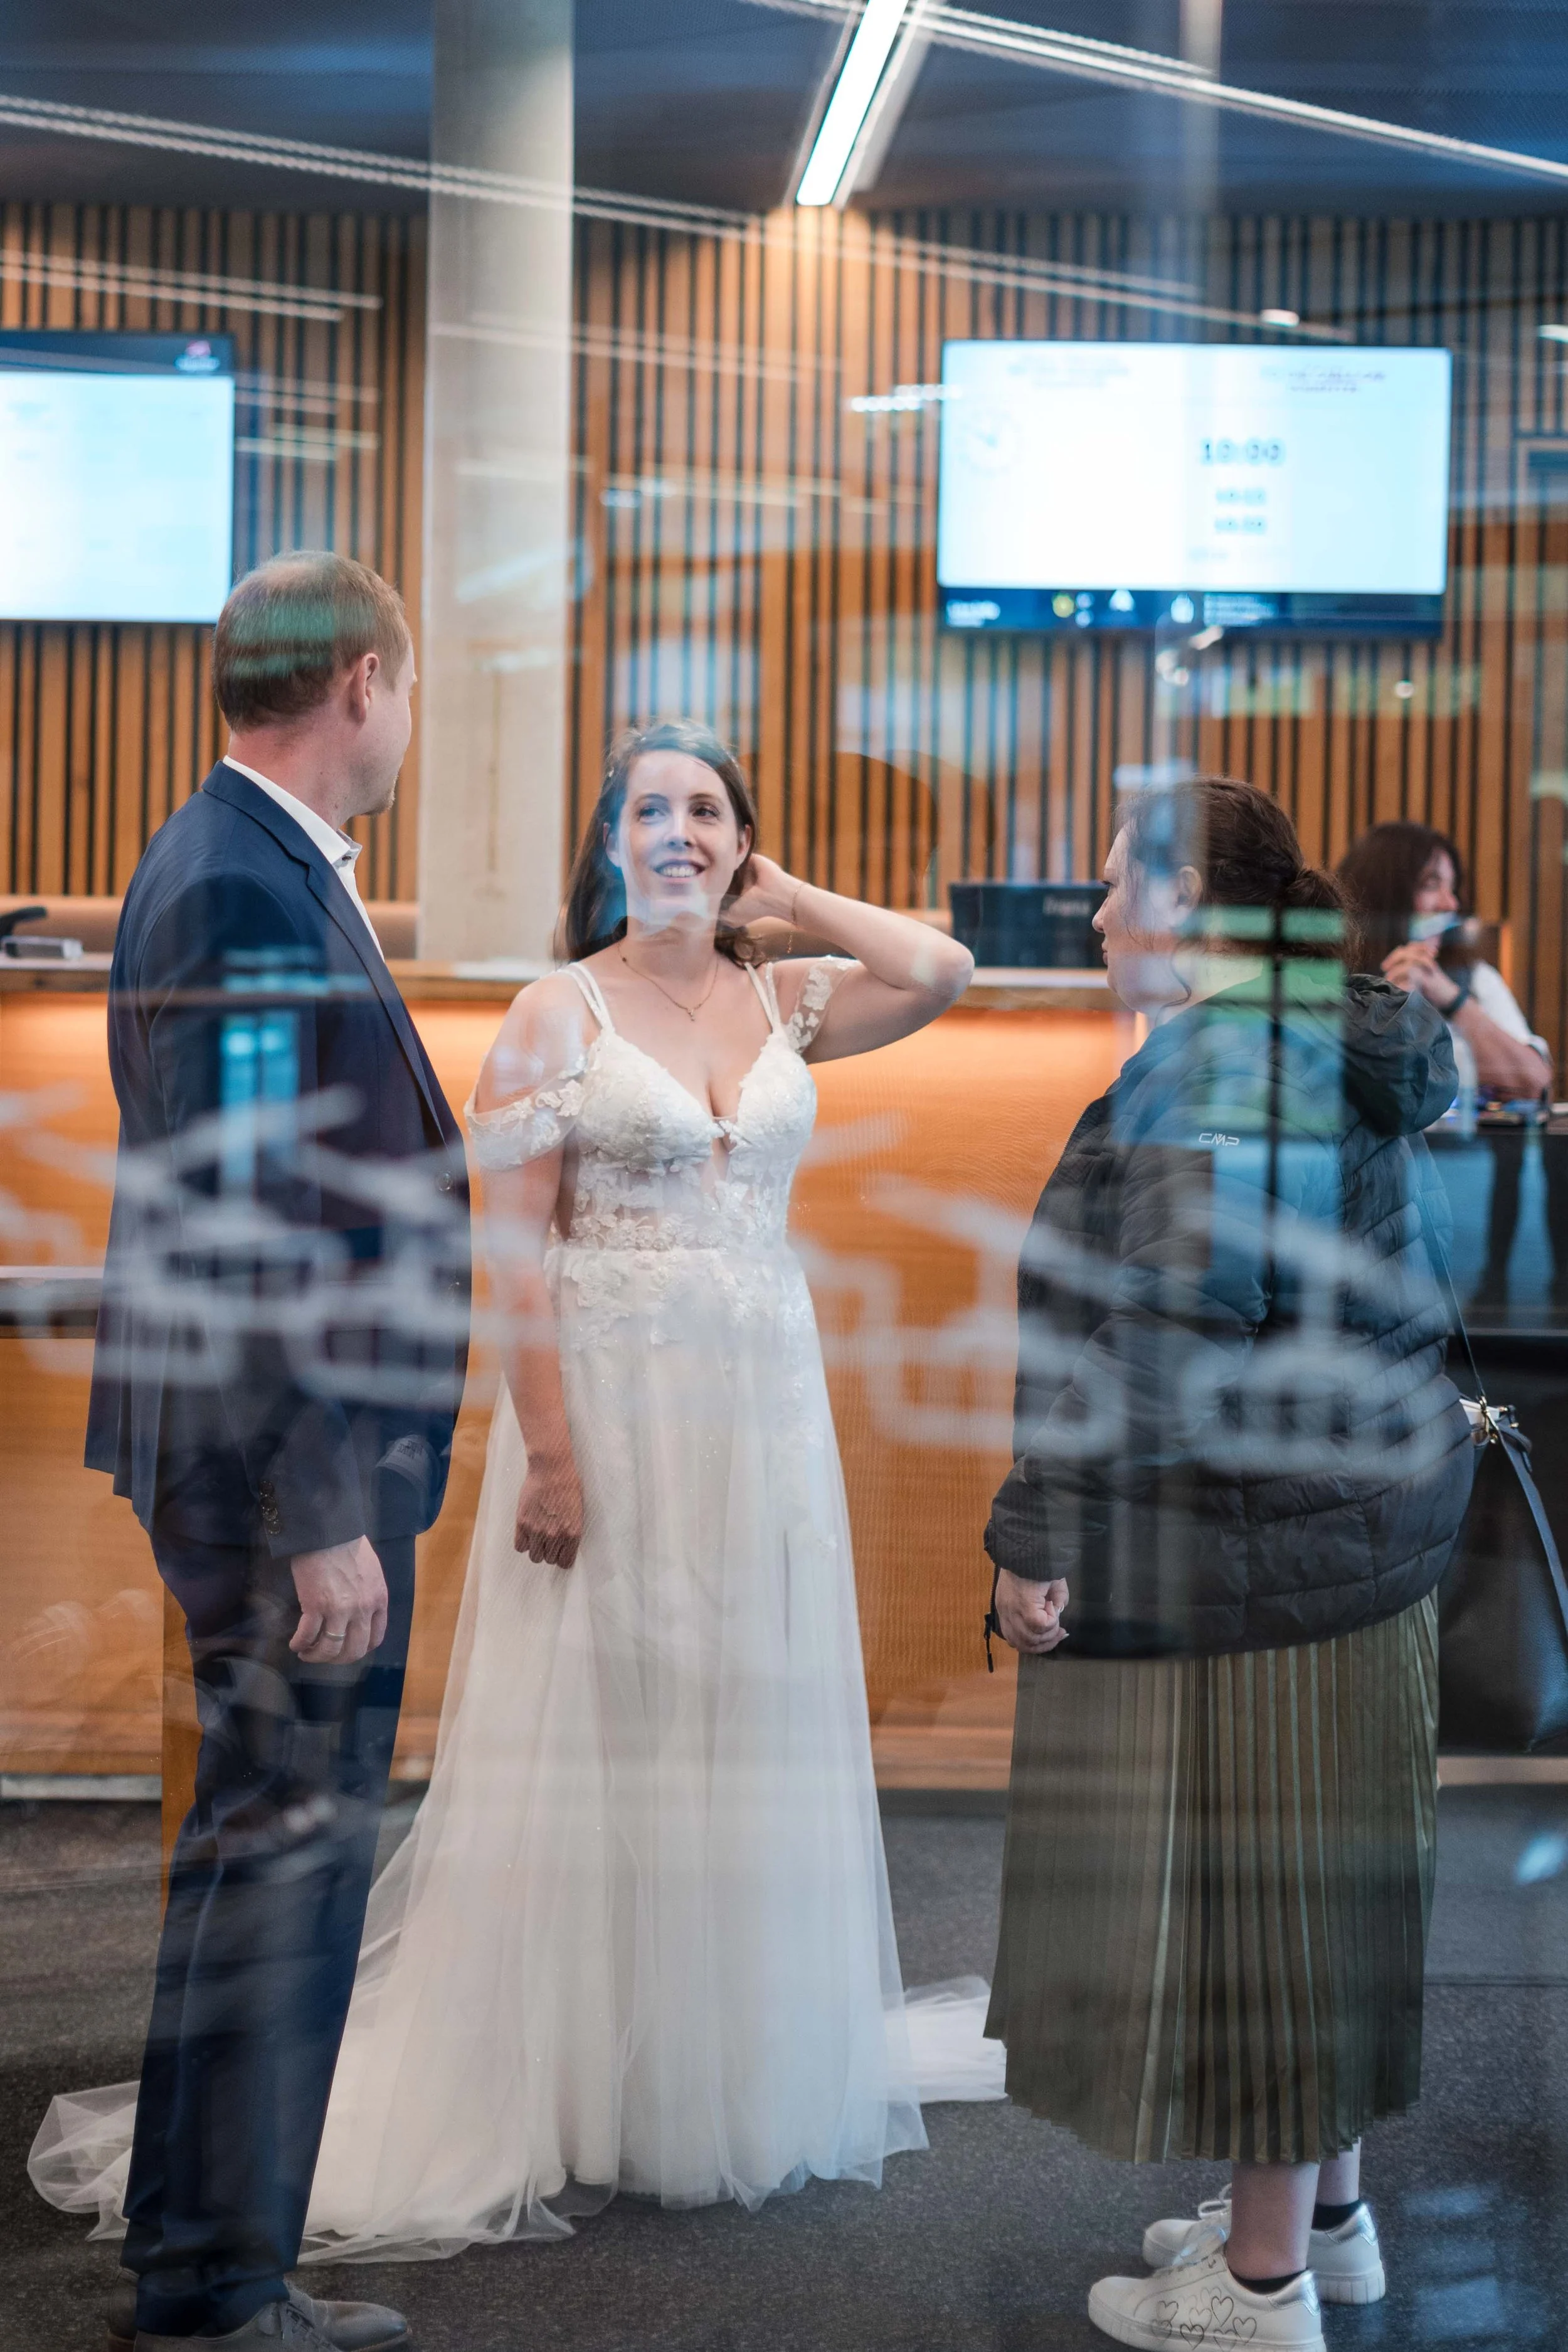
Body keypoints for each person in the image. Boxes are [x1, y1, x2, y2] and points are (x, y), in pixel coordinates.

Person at [194, 716, 967, 2257]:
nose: (679, 833)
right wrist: (548, 1453)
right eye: (651, 812)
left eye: (706, 810)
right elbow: (513, 1260)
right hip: (611, 1414)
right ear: (609, 842)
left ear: (739, 836)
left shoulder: (785, 994)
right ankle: (572, 2076)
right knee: (614, 1713)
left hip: (760, 1414)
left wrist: (785, 898)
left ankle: (710, 2065)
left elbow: (940, 968)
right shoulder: (559, 1012)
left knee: (739, 1707)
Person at [32, 555, 471, 2352]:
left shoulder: (242, 856)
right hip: (282, 1476)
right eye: (410, 688)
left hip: (269, 1459)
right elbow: (254, 1230)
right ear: (361, 681)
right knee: (282, 1870)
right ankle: (217, 2290)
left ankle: (205, 2258)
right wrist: (319, 1515)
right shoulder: (237, 877)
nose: (409, 720)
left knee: (256, 1861)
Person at [982, 779, 1475, 2352]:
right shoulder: (1322, 1021)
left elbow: (1168, 1336)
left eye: (1113, 884)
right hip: (1354, 1535)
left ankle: (1258, 2289)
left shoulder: (1223, 1061)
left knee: (1272, 1912)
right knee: (1327, 1897)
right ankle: (1324, 2224)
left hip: (1277, 1549)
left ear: (1188, 895)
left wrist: (1033, 1530)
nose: (1095, 914)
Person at [1336, 819, 1550, 1104]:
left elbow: (1533, 1082)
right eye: (1432, 884)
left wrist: (1450, 997)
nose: (1451, 904)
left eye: (1452, 888)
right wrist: (1394, 1006)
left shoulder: (1475, 978)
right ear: (1382, 893)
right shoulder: (1332, 981)